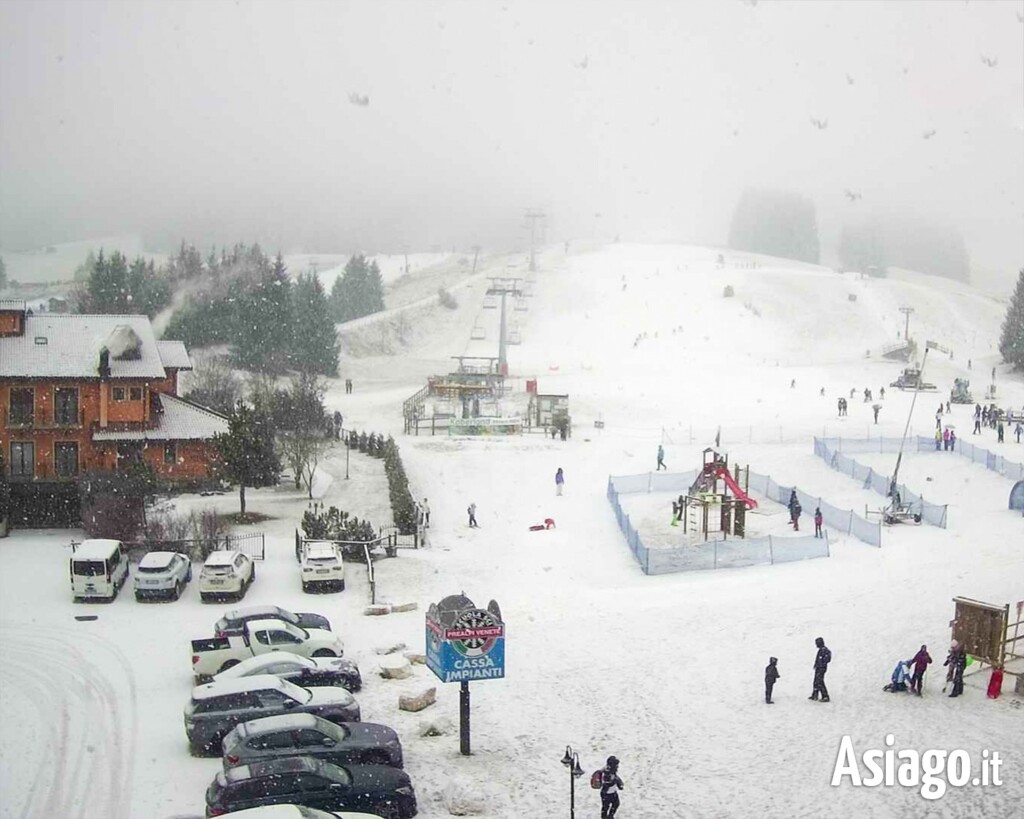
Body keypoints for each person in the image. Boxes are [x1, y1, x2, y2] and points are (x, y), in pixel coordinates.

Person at [809, 636, 831, 702]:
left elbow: (827, 659)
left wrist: (821, 664)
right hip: (819, 668)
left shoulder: (825, 650)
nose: (816, 645)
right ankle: (815, 694)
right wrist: (816, 664)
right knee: (816, 681)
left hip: (821, 668)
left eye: (817, 643)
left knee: (820, 682)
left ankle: (825, 696)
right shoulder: (821, 650)